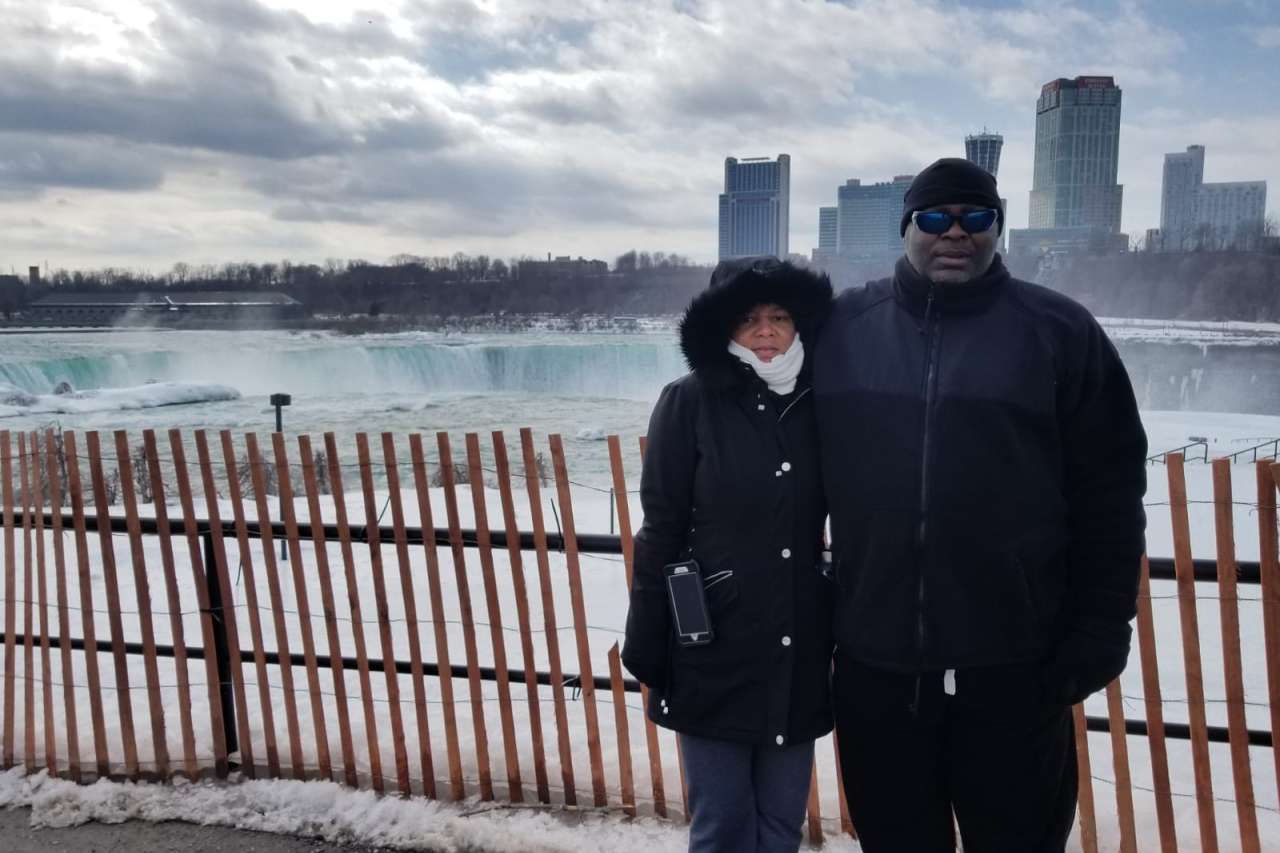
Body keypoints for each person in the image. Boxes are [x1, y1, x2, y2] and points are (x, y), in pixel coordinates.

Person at [813, 158, 1147, 853]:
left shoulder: (1059, 331)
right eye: (935, 218)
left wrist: (1100, 628)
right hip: (878, 667)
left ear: (999, 228)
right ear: (906, 227)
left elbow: (1110, 495)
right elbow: (770, 432)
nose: (955, 233)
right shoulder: (844, 328)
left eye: (976, 218)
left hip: (1016, 667)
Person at [622, 257, 835, 853]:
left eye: (779, 316)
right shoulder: (688, 402)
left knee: (781, 824)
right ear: (723, 327)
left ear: (800, 325)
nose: (765, 330)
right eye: (747, 318)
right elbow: (660, 529)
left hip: (798, 643)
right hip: (713, 645)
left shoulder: (821, 403)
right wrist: (649, 640)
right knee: (723, 826)